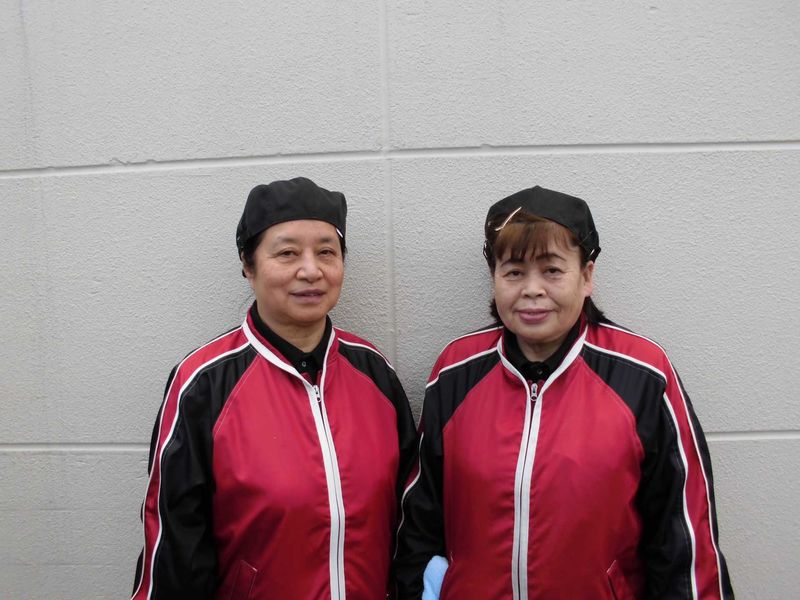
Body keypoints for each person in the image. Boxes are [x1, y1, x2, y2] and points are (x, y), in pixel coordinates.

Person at [394, 186, 734, 599]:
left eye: (552, 270)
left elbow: (684, 541)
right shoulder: (455, 371)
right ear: (494, 278)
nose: (532, 289)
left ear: (587, 276)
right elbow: (420, 522)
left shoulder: (644, 375)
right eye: (514, 272)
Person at [132, 177, 417, 599]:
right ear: (248, 266)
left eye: (326, 252)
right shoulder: (203, 384)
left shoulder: (375, 373)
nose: (311, 270)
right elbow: (174, 548)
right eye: (287, 253)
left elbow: (412, 516)